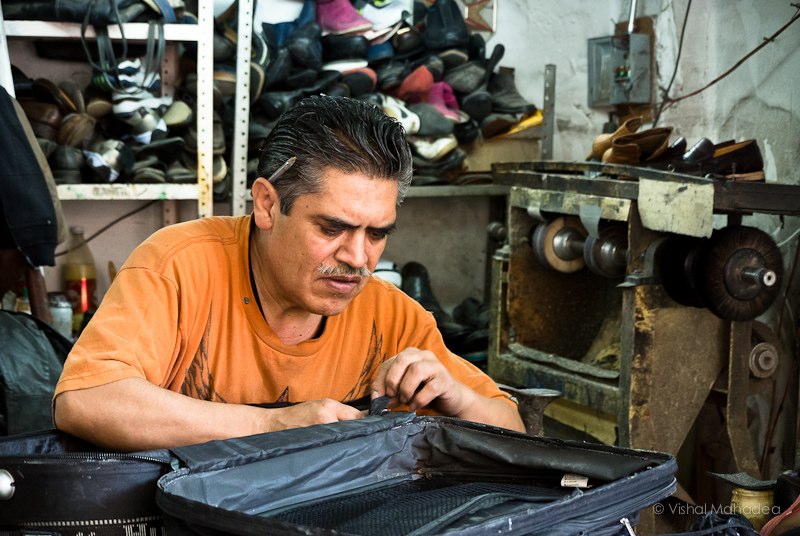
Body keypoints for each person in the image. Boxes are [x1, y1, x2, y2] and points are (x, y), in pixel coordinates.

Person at [53, 95, 525, 451]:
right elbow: (86, 400)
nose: (358, 258)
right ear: (267, 204)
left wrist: (456, 397)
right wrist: (271, 425)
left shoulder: (393, 318)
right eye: (332, 228)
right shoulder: (178, 266)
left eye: (378, 233)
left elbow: (515, 431)